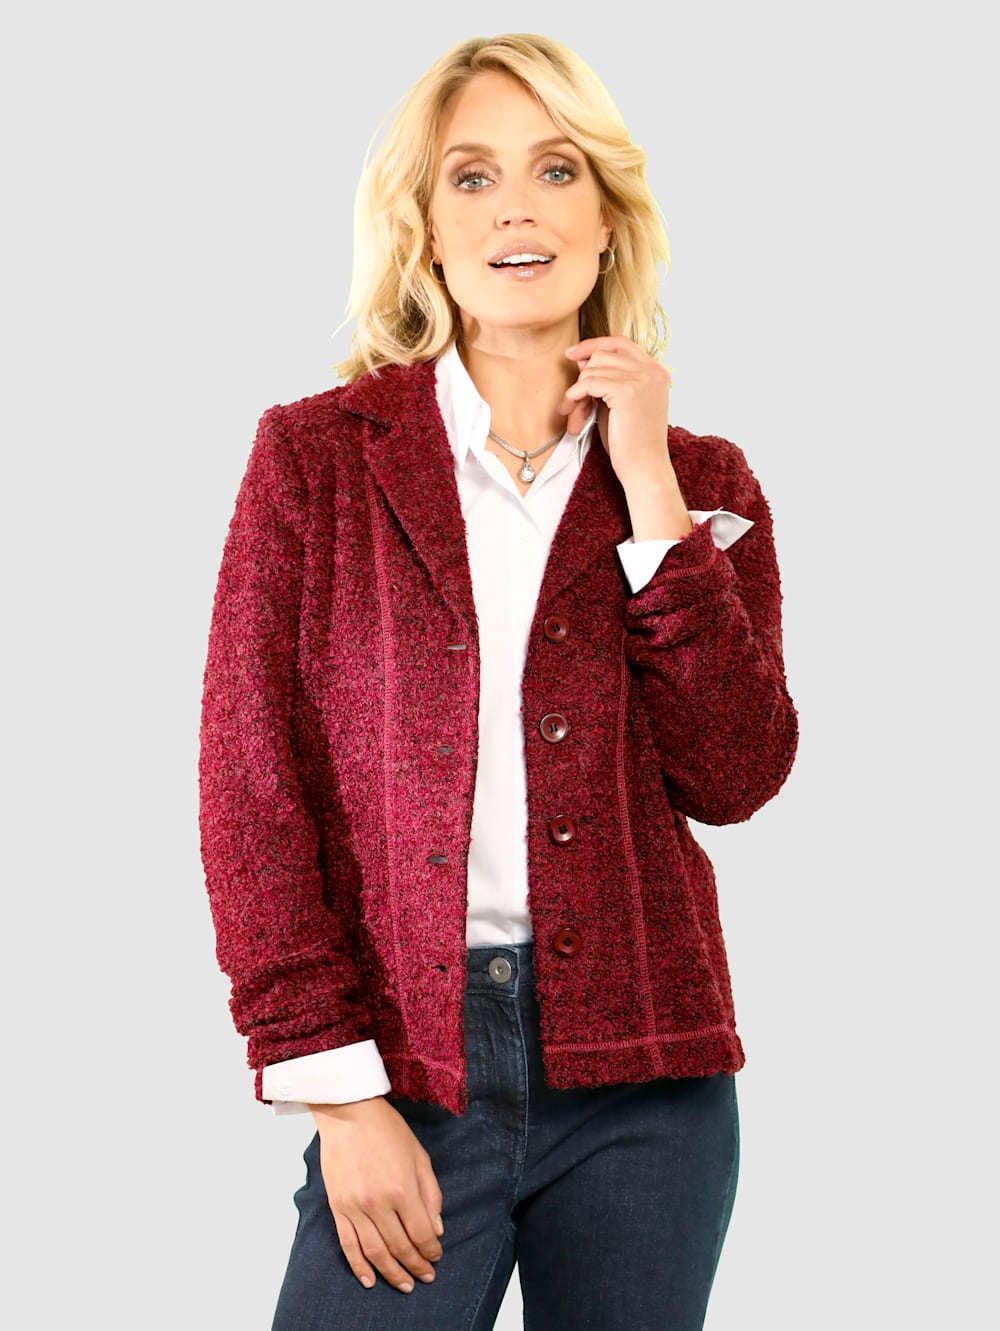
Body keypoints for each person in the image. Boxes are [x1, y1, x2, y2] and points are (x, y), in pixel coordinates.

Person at [199, 31, 798, 1331]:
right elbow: (252, 794)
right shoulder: (316, 459)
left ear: (606, 218)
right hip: (410, 1064)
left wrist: (651, 487)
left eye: (556, 170)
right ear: (426, 229)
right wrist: (340, 1095)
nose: (516, 207)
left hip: (650, 1081)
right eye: (472, 176)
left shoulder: (706, 478)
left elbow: (738, 773)